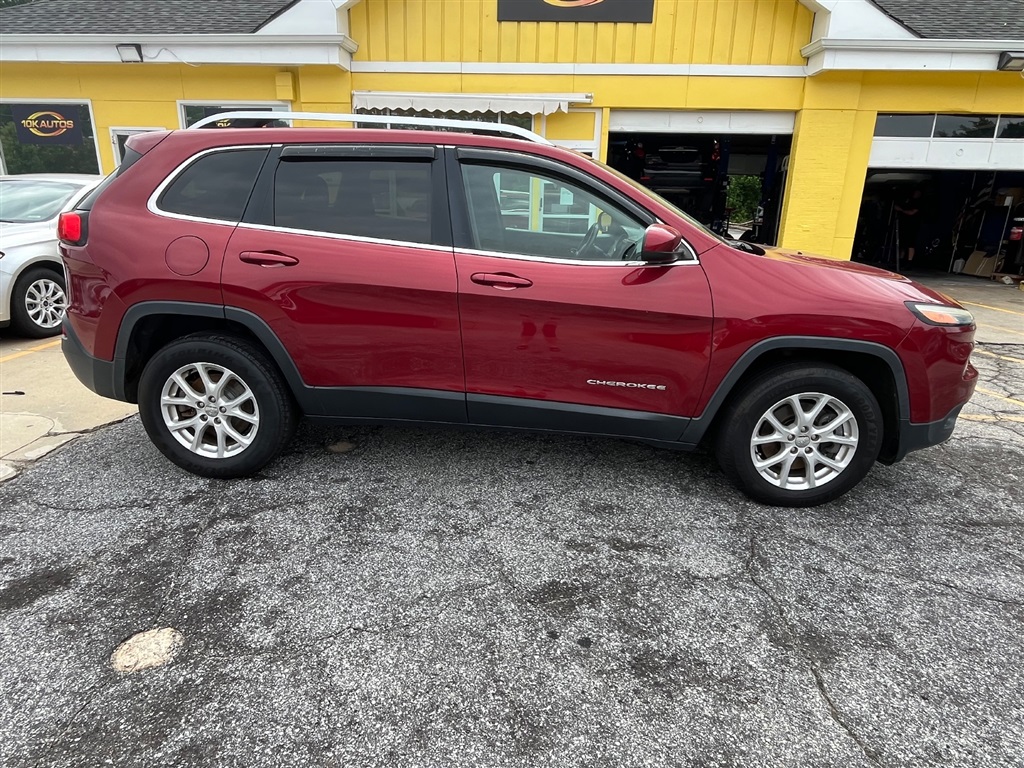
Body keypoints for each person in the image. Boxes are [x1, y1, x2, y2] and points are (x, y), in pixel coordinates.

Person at [895, 189, 922, 269]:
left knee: (910, 244)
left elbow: (912, 212)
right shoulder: (908, 200)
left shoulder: (918, 203)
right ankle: (900, 261)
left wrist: (901, 210)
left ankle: (909, 262)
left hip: (913, 226)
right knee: (903, 243)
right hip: (904, 225)